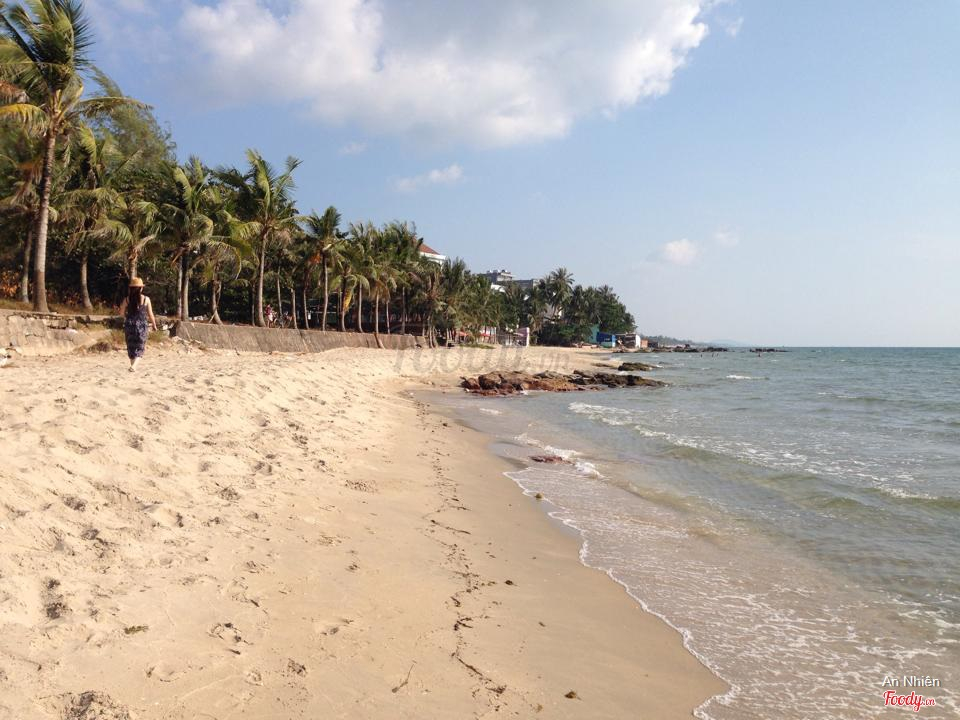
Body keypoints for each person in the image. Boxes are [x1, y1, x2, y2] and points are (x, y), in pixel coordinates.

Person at [119, 277, 158, 372]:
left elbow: (121, 313)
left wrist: (127, 318)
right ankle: (134, 366)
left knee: (131, 347)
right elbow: (150, 314)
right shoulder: (146, 299)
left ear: (131, 288)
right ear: (141, 288)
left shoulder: (127, 299)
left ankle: (132, 367)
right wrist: (154, 325)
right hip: (142, 326)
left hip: (129, 325)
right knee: (140, 347)